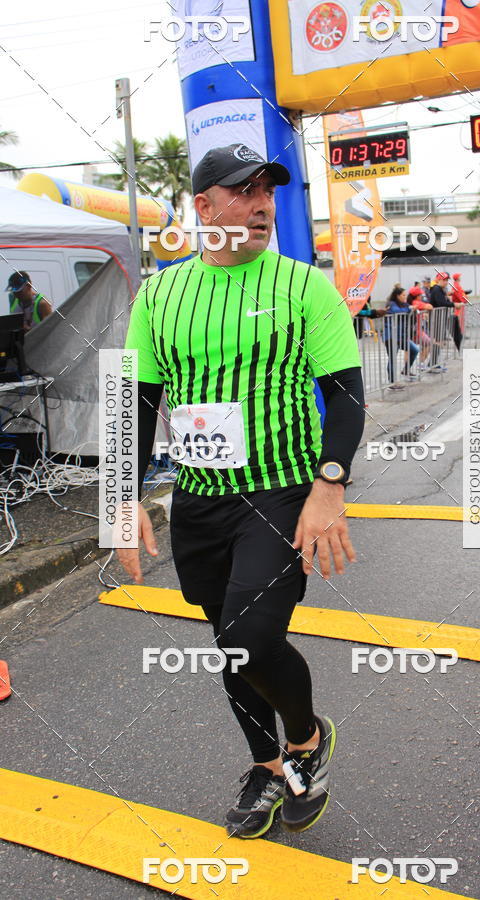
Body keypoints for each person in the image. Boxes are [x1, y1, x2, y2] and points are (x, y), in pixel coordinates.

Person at [120, 143, 366, 837]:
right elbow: (135, 400)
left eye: (267, 192)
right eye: (244, 191)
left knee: (250, 635)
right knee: (229, 642)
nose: (261, 205)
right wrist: (121, 496)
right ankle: (267, 766)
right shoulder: (159, 293)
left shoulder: (303, 286)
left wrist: (330, 486)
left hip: (280, 492)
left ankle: (306, 741)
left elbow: (345, 395)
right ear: (203, 207)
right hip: (199, 499)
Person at [383, 285, 419, 384]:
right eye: (403, 295)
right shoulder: (391, 304)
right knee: (392, 359)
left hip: (401, 336)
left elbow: (410, 307)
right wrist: (409, 309)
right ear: (398, 296)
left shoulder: (404, 304)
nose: (405, 297)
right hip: (390, 336)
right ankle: (392, 382)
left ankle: (406, 370)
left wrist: (411, 308)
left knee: (415, 350)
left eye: (405, 295)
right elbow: (396, 311)